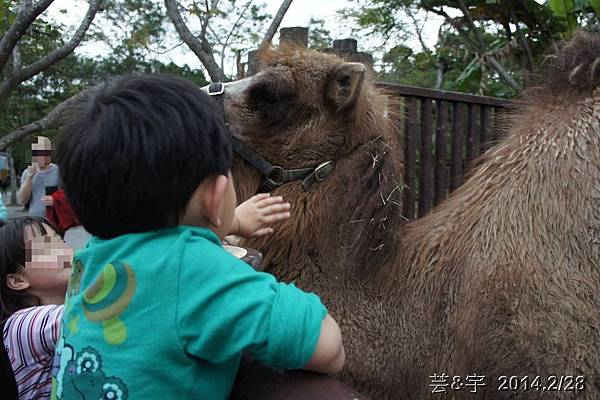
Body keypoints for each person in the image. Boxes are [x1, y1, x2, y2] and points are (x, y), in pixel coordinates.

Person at [51, 74, 345, 400]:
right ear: (214, 195)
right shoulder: (194, 271)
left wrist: (229, 221)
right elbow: (327, 347)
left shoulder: (92, 260)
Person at [0, 217, 73, 400]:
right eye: (46, 246)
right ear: (17, 280)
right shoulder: (21, 325)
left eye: (60, 240)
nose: (63, 249)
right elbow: (87, 315)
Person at [17, 137, 60, 218]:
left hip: (55, 219)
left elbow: (69, 196)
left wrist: (55, 199)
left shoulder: (59, 171)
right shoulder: (27, 173)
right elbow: (22, 200)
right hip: (35, 219)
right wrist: (29, 177)